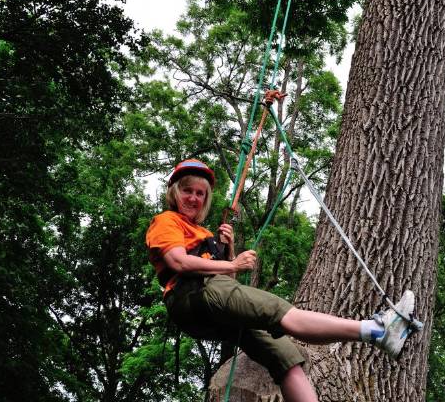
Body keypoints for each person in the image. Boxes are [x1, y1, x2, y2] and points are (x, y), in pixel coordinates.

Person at [146, 159, 416, 402]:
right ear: (175, 192)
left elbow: (225, 282)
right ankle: (377, 331)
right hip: (189, 296)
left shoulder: (203, 232)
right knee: (278, 312)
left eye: (200, 193)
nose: (193, 198)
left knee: (283, 355)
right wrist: (232, 262)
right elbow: (178, 262)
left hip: (209, 305)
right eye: (187, 190)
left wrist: (227, 251)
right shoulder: (166, 221)